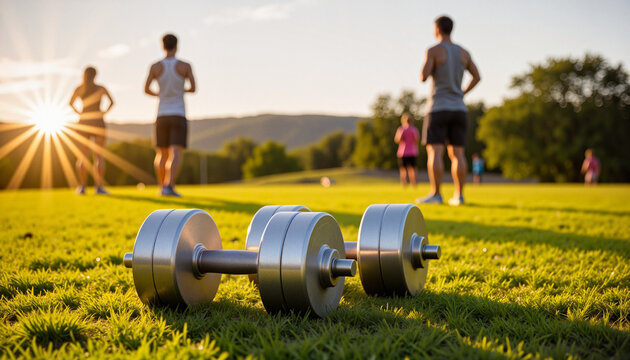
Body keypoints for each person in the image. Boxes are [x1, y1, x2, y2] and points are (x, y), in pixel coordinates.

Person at [416, 15, 480, 206]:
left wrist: (430, 61)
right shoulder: (464, 53)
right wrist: (462, 92)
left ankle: (436, 193)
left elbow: (423, 76)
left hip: (438, 107)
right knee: (458, 154)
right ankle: (458, 195)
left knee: (435, 152)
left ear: (437, 29)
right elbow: (477, 77)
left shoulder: (434, 50)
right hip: (459, 108)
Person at [144, 33, 196, 197]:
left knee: (161, 153)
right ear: (177, 46)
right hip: (178, 113)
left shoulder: (155, 67)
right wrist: (181, 90)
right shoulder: (185, 66)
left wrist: (160, 94)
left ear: (163, 46)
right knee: (175, 153)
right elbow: (193, 88)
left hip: (161, 114)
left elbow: (146, 89)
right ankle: (169, 186)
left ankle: (162, 187)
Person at [69, 66, 114, 195]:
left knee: (82, 157)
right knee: (98, 156)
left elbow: (70, 103)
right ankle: (98, 187)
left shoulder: (79, 89)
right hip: (98, 121)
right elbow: (112, 102)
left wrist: (79, 113)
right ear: (95, 75)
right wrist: (103, 112)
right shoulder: (101, 88)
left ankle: (82, 186)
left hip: (84, 121)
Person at [394, 113, 420, 187]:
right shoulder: (414, 129)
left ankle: (404, 184)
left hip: (403, 152)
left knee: (403, 169)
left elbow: (397, 140)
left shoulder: (401, 129)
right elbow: (417, 140)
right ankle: (414, 184)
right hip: (412, 152)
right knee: (413, 169)